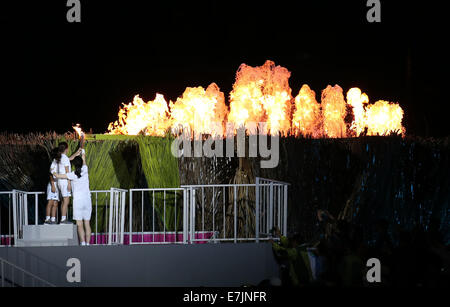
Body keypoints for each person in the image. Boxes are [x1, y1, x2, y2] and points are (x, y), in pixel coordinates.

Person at [53, 148, 92, 246]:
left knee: (79, 224)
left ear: (73, 165)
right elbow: (84, 160)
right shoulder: (85, 170)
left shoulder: (72, 174)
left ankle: (83, 244)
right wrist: (83, 153)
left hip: (78, 202)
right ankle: (88, 244)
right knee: (87, 223)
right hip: (87, 200)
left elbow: (59, 176)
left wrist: (53, 172)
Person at [56, 142, 78, 224]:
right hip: (64, 182)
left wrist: (76, 153)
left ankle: (63, 218)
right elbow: (67, 172)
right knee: (66, 201)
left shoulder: (59, 157)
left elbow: (70, 158)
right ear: (66, 149)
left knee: (63, 201)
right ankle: (63, 220)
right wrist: (69, 183)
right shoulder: (64, 158)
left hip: (59, 182)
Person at [44, 148, 60, 224]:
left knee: (55, 203)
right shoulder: (53, 163)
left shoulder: (59, 162)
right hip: (52, 185)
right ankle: (47, 219)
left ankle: (53, 220)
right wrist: (53, 185)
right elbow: (50, 175)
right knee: (50, 202)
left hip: (57, 185)